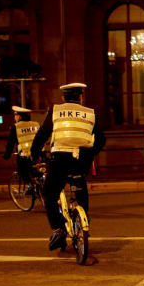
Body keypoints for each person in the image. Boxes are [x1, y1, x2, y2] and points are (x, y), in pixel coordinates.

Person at [31, 83, 106, 250]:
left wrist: (34, 153)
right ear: (80, 97)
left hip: (60, 159)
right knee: (80, 184)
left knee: (49, 193)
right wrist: (90, 151)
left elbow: (42, 134)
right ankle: (84, 217)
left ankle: (58, 230)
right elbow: (101, 140)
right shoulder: (90, 113)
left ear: (63, 98)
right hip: (82, 159)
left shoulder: (56, 111)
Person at [2, 106, 39, 187]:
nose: (15, 117)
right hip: (38, 154)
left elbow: (10, 143)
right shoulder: (36, 124)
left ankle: (30, 186)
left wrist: (7, 155)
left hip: (25, 156)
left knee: (22, 172)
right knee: (38, 172)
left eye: (15, 115)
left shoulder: (16, 127)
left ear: (19, 116)